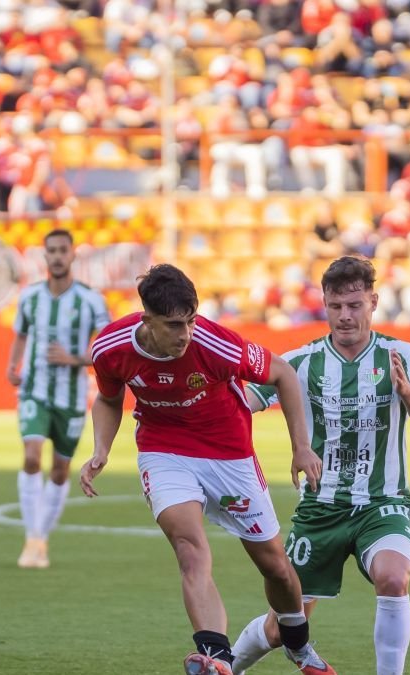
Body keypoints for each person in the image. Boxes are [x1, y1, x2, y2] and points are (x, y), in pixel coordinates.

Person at [78, 264, 336, 675]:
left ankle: (298, 644)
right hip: (164, 451)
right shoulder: (110, 347)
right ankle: (217, 657)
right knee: (190, 548)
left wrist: (301, 448)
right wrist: (101, 449)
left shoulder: (216, 345)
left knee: (275, 565)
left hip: (229, 454)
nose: (185, 334)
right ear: (147, 320)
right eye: (173, 325)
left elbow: (283, 374)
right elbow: (108, 399)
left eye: (190, 321)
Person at [230, 256, 410, 675]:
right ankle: (226, 666)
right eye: (336, 306)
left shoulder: (400, 353)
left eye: (355, 305)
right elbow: (242, 404)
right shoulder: (300, 361)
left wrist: (407, 393)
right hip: (320, 510)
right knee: (281, 629)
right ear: (324, 304)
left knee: (394, 578)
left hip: (383, 502)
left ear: (373, 302)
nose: (345, 316)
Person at [5, 229, 110, 569]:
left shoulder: (91, 300)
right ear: (44, 256)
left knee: (60, 470)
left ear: (73, 255)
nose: (57, 256)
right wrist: (12, 365)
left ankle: (40, 539)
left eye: (63, 250)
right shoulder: (30, 297)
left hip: (71, 396)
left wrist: (74, 358)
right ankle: (33, 539)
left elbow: (106, 350)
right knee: (32, 457)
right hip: (34, 390)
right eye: (51, 251)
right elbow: (21, 333)